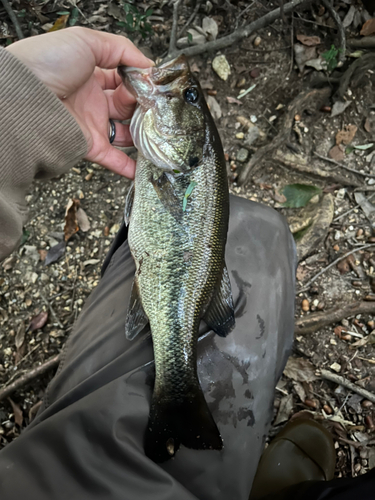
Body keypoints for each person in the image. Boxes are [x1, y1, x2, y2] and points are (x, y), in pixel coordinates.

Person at [0, 27, 373, 500]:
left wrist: (15, 106)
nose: (181, 90)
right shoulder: (171, 160)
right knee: (264, 228)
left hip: (50, 472)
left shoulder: (169, 161)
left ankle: (178, 400)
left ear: (192, 143)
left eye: (188, 97)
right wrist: (19, 102)